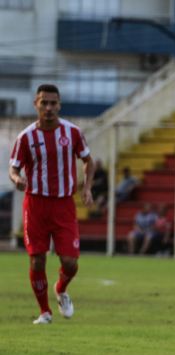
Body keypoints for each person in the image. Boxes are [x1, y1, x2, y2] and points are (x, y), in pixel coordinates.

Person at [8, 84, 95, 325]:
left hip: (64, 205)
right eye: (44, 103)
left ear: (59, 105)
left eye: (53, 103)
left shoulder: (73, 132)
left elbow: (88, 160)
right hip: (35, 205)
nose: (48, 107)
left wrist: (86, 188)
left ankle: (60, 288)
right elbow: (13, 167)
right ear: (36, 104)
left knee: (70, 262)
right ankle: (45, 312)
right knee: (37, 259)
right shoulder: (26, 137)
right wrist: (17, 179)